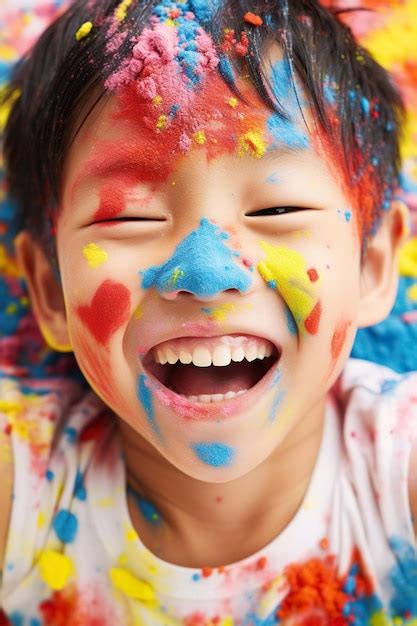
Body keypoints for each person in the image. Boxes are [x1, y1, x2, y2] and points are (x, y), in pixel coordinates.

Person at [1, 0, 417, 623]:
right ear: (51, 290)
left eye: (277, 211)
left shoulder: (395, 467)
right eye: (129, 216)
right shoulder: (26, 485)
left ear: (373, 264)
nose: (207, 273)